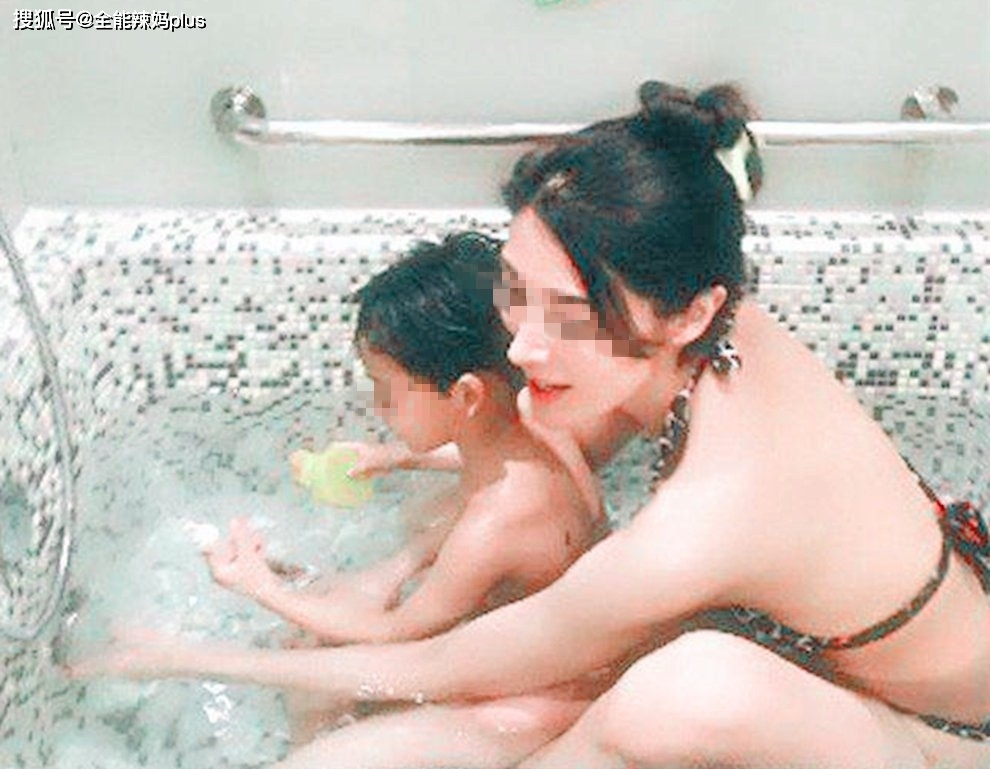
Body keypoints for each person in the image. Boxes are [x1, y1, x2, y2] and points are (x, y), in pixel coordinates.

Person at [70, 81, 989, 768]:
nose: (521, 346)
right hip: (922, 614)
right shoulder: (716, 327)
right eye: (515, 289)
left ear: (691, 311)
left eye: (569, 314)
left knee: (665, 697)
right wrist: (404, 491)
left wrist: (184, 656)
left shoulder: (697, 527)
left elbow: (450, 665)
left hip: (948, 732)